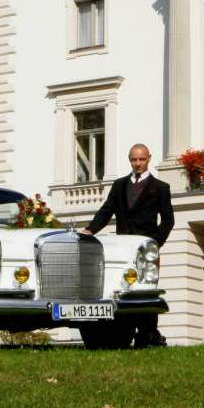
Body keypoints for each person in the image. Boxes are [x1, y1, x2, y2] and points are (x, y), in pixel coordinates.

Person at [79, 143, 173, 346]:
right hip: (122, 249)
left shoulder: (161, 188)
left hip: (144, 250)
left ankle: (148, 334)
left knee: (145, 289)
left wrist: (154, 245)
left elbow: (168, 221)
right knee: (120, 288)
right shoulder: (119, 185)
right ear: (129, 160)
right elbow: (106, 211)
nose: (138, 163)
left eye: (142, 159)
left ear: (149, 159)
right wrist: (90, 230)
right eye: (134, 159)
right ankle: (120, 331)